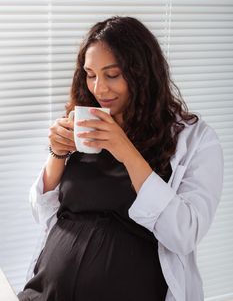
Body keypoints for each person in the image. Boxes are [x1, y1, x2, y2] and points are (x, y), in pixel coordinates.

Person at [18, 16, 224, 301]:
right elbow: (43, 213)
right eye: (90, 74)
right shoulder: (84, 121)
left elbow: (184, 234)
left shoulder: (195, 139)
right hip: (45, 293)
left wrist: (125, 150)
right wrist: (57, 152)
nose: (99, 88)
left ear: (142, 73)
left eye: (112, 74)